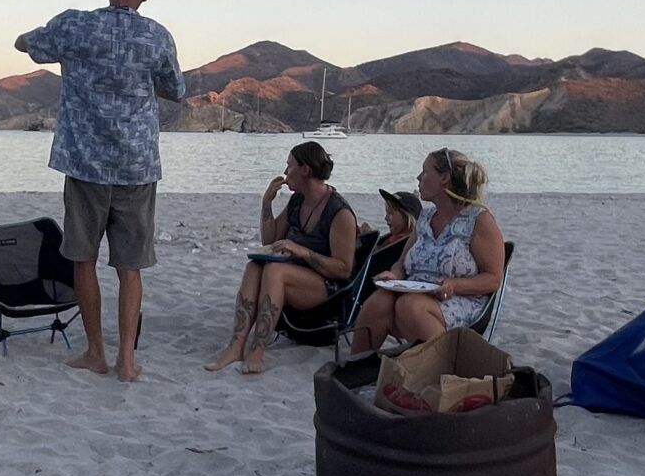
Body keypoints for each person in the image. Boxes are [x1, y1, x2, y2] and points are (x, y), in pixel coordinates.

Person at [14, 0, 185, 381]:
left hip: (86, 163)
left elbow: (25, 44)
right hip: (136, 165)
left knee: (83, 259)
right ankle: (126, 360)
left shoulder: (76, 26)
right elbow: (176, 90)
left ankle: (95, 352)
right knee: (130, 268)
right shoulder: (157, 36)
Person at [206, 140, 360, 375]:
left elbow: (343, 270)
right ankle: (236, 346)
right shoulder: (297, 201)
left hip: (328, 290)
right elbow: (269, 241)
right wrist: (266, 203)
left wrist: (302, 251)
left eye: (289, 166)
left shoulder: (339, 212)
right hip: (294, 277)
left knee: (275, 271)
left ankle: (257, 350)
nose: (286, 172)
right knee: (255, 266)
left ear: (305, 170)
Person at [349, 150, 506, 355]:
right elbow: (402, 262)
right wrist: (395, 275)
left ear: (444, 178)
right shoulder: (425, 216)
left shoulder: (479, 220)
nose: (418, 178)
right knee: (380, 301)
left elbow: (493, 279)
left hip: (460, 299)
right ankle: (356, 369)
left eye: (424, 172)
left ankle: (443, 366)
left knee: (410, 305)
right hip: (417, 295)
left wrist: (454, 285)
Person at [370, 190, 420, 282]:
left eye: (390, 213)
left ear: (406, 217)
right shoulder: (393, 237)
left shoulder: (404, 244)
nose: (386, 217)